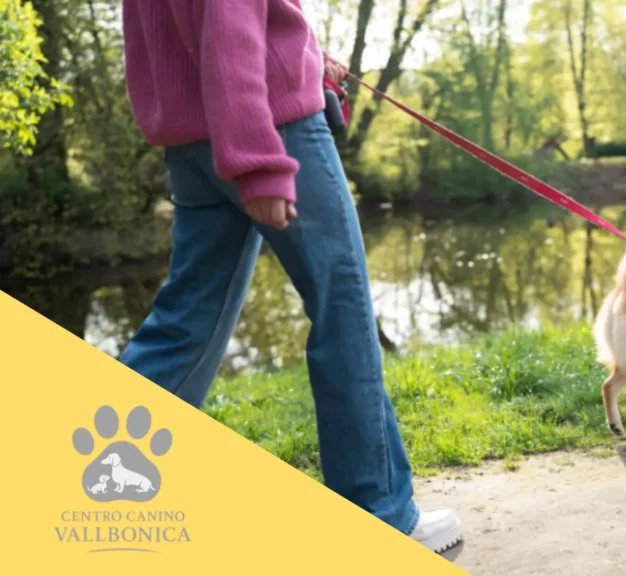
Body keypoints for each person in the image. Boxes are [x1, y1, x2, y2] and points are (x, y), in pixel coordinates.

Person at [118, 0, 463, 554]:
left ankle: (80, 480)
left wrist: (303, 51)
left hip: (192, 136)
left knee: (186, 322)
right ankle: (378, 518)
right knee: (342, 310)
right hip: (270, 128)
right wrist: (256, 157)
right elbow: (231, 20)